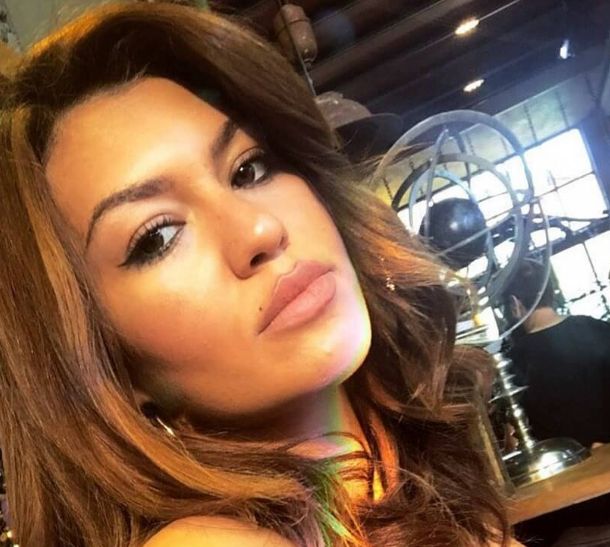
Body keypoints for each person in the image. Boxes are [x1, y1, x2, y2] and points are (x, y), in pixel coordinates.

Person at [0, 3, 522, 546]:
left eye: (249, 169)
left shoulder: (409, 469)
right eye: (157, 236)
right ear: (106, 366)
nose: (260, 229)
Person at [502, 259, 610, 448]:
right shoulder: (597, 328)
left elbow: (515, 438)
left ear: (514, 303)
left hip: (567, 464)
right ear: (550, 291)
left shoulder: (513, 363)